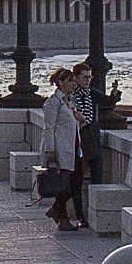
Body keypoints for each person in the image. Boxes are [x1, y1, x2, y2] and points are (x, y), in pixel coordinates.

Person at [39, 68, 83, 230]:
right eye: (70, 81)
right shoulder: (53, 102)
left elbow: (72, 125)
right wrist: (50, 151)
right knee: (65, 183)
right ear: (61, 82)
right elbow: (48, 128)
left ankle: (57, 211)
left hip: (73, 148)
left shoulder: (69, 101)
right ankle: (62, 218)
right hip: (61, 150)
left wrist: (80, 118)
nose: (73, 84)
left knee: (75, 181)